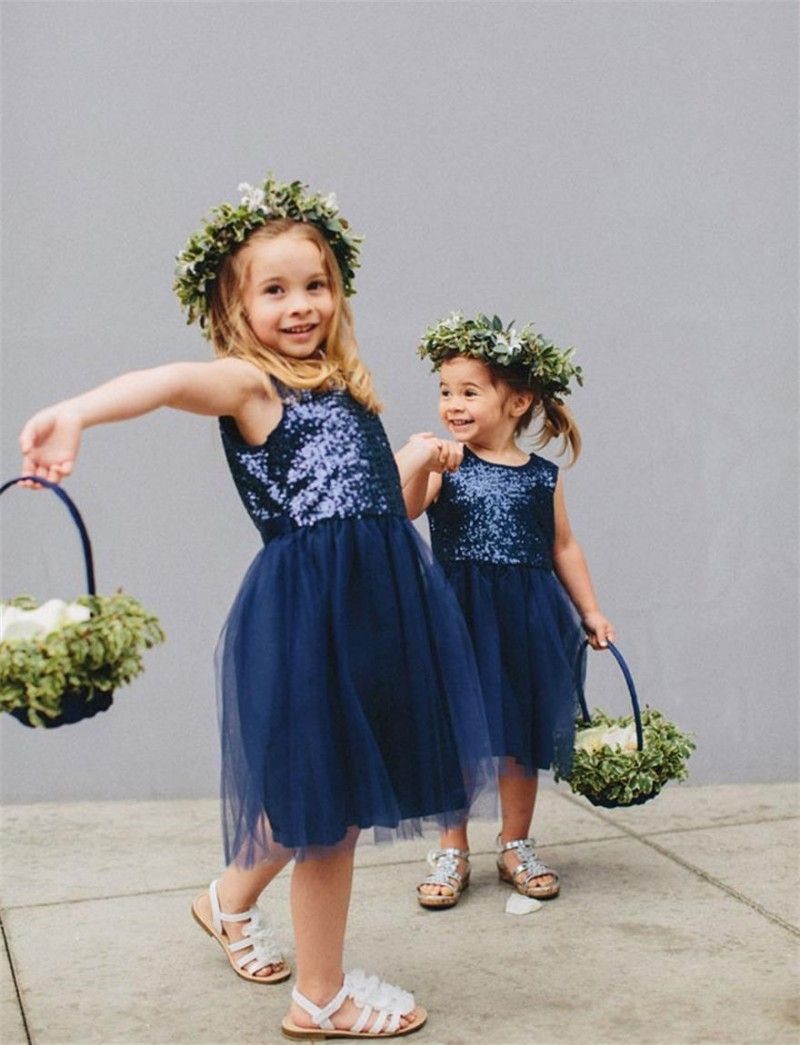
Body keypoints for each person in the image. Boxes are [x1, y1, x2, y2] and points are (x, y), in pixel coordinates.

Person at [18, 181, 494, 1039]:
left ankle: (227, 899)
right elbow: (168, 382)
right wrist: (78, 411)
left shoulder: (349, 390)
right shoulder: (253, 385)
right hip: (312, 615)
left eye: (314, 284)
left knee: (322, 782)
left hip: (381, 606)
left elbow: (388, 510)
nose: (299, 304)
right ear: (234, 305)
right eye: (273, 290)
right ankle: (322, 997)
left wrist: (418, 459)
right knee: (329, 812)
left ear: (337, 291)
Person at [395, 312, 615, 910]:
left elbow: (562, 544)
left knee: (522, 735)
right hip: (458, 616)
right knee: (457, 732)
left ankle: (516, 842)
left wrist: (590, 610)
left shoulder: (543, 476)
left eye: (469, 392)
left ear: (517, 402)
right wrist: (422, 462)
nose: (452, 404)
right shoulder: (450, 466)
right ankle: (451, 847)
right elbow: (405, 511)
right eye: (445, 391)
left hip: (527, 617)